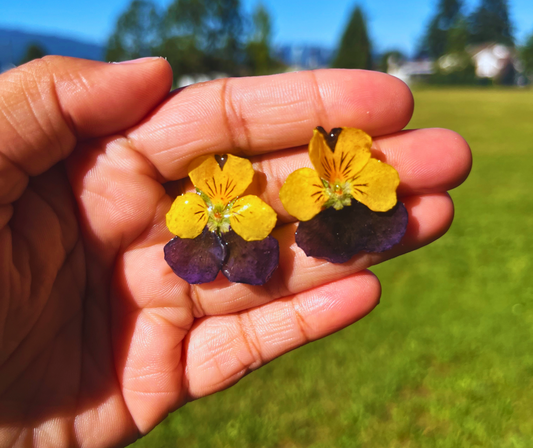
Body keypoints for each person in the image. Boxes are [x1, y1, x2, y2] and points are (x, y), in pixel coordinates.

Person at [0, 56, 471, 447]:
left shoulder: (297, 189)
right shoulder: (216, 203)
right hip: (227, 219)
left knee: (293, 242)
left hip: (266, 217)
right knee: (222, 250)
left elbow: (292, 208)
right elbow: (210, 215)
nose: (338, 185)